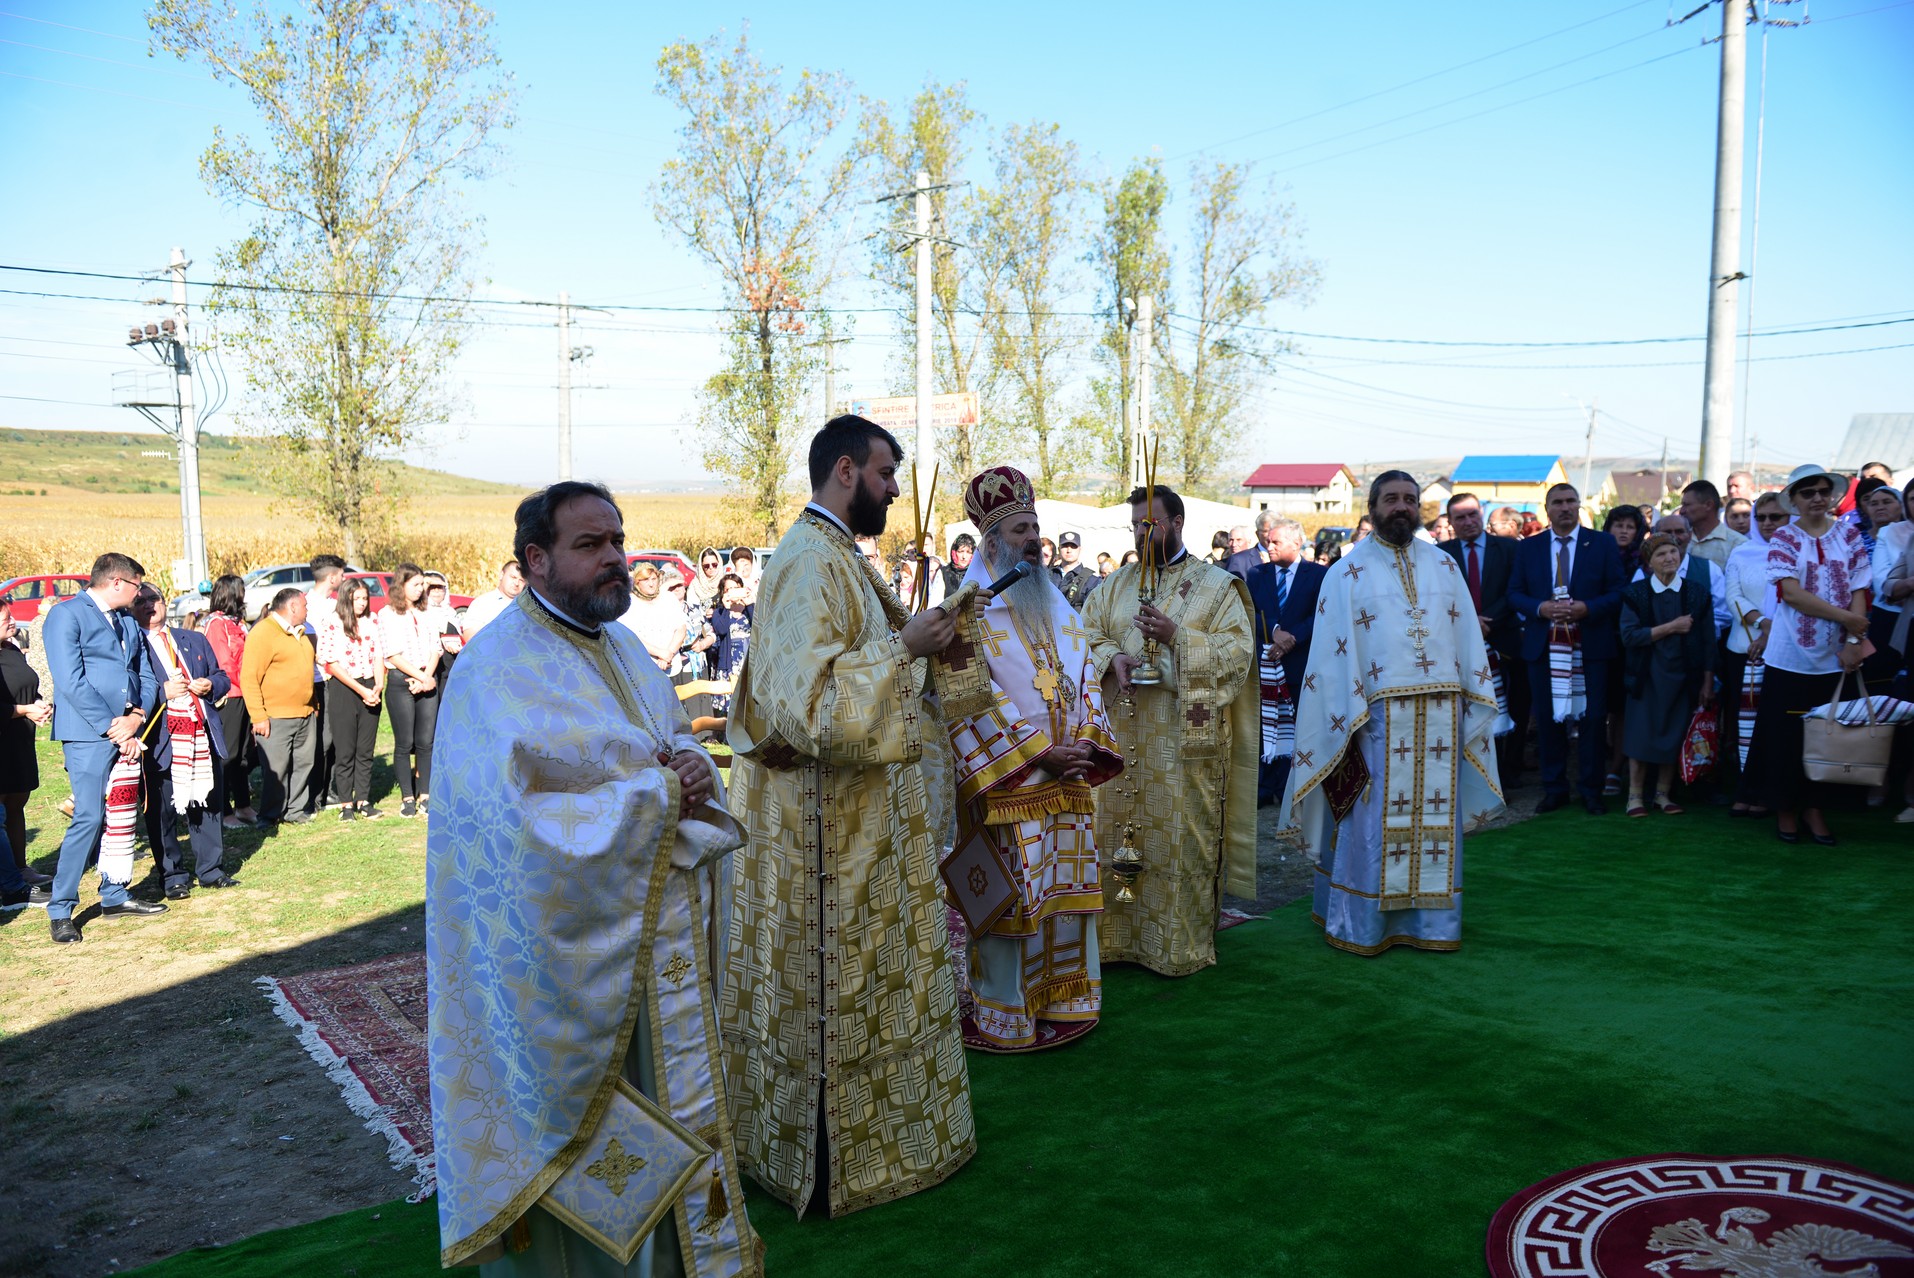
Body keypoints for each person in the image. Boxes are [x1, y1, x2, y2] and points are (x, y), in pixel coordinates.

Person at [426, 481, 760, 1275]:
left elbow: (664, 745)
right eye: (590, 545)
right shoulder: (493, 670)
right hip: (567, 972)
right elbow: (509, 832)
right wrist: (655, 795)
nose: (615, 557)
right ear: (535, 559)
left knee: (665, 1107)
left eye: (617, 539)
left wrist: (686, 767)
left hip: (648, 938)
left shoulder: (622, 652)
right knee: (597, 1136)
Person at [721, 415, 978, 1218]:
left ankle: (887, 1144)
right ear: (844, 471)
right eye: (885, 474)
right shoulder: (808, 564)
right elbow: (806, 712)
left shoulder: (837, 556)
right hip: (831, 841)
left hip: (869, 829)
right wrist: (905, 647)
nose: (896, 491)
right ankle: (838, 1160)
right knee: (844, 995)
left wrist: (927, 644)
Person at [1286, 471, 1504, 955]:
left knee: (1434, 823)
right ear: (1373, 506)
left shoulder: (1444, 566)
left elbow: (1466, 636)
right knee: (1371, 821)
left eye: (1410, 499)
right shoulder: (1347, 571)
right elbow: (1330, 655)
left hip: (1441, 719)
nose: (1402, 507)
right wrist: (1347, 717)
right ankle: (1361, 923)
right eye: (1392, 499)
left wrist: (1471, 691)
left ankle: (1431, 926)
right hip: (1374, 721)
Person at [944, 467, 1124, 1052]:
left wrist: (1086, 745)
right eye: (1020, 530)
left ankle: (1067, 998)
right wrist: (1042, 750)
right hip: (1009, 782)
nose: (1032, 541)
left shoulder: (1058, 606)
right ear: (992, 541)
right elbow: (968, 703)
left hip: (1067, 779)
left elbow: (1086, 678)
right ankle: (1005, 1014)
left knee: (1066, 893)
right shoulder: (966, 614)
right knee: (1015, 901)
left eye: (1035, 528)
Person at [1079, 483, 1257, 977]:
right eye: (1137, 523)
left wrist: (1177, 638)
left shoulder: (1217, 587)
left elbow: (1236, 657)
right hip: (1121, 736)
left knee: (1181, 841)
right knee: (1112, 835)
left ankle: (1176, 946)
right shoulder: (1113, 586)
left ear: (1178, 522)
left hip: (1181, 747)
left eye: (1151, 522)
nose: (1142, 531)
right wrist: (1111, 656)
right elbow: (1084, 634)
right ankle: (1114, 939)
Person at [41, 553, 165, 941]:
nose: (139, 594)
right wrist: (115, 727)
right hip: (87, 733)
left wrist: (137, 716)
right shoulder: (67, 615)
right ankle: (61, 907)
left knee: (122, 813)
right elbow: (70, 679)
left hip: (127, 727)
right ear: (116, 582)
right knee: (90, 817)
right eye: (136, 587)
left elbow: (144, 671)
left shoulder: (127, 619)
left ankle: (113, 893)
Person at [1758, 465, 1871, 845]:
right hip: (1789, 657)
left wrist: (1853, 643)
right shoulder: (1784, 537)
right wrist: (1849, 621)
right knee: (1786, 737)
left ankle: (1815, 808)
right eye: (1808, 493)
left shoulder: (1849, 534)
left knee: (1829, 738)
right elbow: (1790, 594)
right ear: (1794, 499)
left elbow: (1859, 584)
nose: (1818, 498)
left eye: (1823, 490)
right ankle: (1786, 808)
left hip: (1836, 657)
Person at [1509, 483, 1625, 815]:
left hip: (1591, 646)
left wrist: (1589, 607)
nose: (1564, 507)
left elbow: (1618, 592)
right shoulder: (1529, 548)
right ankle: (1554, 788)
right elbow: (1514, 593)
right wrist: (1540, 608)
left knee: (1592, 718)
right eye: (1557, 502)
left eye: (1570, 501)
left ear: (1579, 506)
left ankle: (1591, 790)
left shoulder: (1602, 543)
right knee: (1547, 719)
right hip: (1543, 647)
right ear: (1547, 508)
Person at [132, 583, 236, 897]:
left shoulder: (193, 638)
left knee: (206, 804)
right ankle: (173, 876)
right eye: (141, 602)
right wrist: (163, 692)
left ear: (164, 602)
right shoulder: (132, 646)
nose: (150, 606)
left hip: (202, 738)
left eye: (154, 599)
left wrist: (210, 684)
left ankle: (211, 869)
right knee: (161, 814)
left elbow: (222, 677)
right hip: (163, 741)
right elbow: (130, 691)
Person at [1618, 534, 1717, 817]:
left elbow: (1709, 640)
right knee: (1640, 735)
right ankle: (1634, 797)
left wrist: (1708, 681)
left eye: (1673, 551)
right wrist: (1671, 627)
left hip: (1683, 676)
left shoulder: (1697, 593)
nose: (1670, 558)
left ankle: (1663, 795)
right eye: (1661, 554)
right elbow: (1629, 636)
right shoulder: (1635, 593)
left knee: (1674, 735)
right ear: (1649, 562)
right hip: (1645, 676)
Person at [1441, 492, 1523, 787]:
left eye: (1472, 514)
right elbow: (1438, 597)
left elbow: (1515, 590)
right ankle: (1473, 773)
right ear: (1450, 522)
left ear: (1482, 515)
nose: (1468, 522)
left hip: (1505, 639)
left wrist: (1485, 620)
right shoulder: (1441, 554)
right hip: (1459, 643)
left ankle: (1508, 772)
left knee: (1513, 706)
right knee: (1470, 708)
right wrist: (1468, 621)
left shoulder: (1509, 548)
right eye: (1460, 517)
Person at [1243, 515, 1326, 807]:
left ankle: (1296, 785)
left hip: (1300, 664)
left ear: (1297, 543)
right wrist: (1275, 632)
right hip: (1268, 665)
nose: (1270, 546)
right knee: (1268, 726)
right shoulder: (1257, 574)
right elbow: (1248, 612)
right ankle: (1266, 787)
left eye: (1276, 541)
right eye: (1268, 541)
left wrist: (1293, 637)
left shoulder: (1318, 575)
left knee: (1300, 725)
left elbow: (1323, 614)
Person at [1725, 494, 1785, 817]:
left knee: (1771, 725)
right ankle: (1745, 788)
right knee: (1741, 721)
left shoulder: (1797, 551)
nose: (1767, 524)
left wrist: (1770, 634)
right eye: (1761, 517)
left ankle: (1766, 792)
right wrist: (1761, 624)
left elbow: (1795, 598)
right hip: (1743, 647)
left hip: (1785, 651)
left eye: (1775, 517)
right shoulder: (1741, 551)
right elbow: (1732, 596)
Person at [242, 587, 319, 828]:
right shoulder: (263, 632)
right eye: (305, 606)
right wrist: (258, 716)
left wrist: (313, 702)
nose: (307, 610)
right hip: (275, 716)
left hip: (305, 713)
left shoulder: (301, 632)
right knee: (276, 768)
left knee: (304, 762)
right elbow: (249, 677)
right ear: (293, 607)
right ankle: (270, 814)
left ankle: (294, 810)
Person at [377, 563, 441, 819]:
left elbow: (435, 647)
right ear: (401, 585)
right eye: (415, 584)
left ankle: (425, 794)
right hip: (401, 680)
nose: (420, 589)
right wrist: (419, 677)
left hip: (426, 677)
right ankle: (407, 797)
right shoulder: (387, 614)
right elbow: (392, 653)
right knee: (405, 743)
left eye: (421, 584)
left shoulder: (427, 613)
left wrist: (427, 678)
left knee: (426, 742)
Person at [320, 578, 385, 821]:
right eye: (357, 598)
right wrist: (361, 689)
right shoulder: (332, 622)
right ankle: (346, 803)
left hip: (370, 685)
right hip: (344, 687)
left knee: (365, 749)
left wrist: (378, 685)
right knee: (345, 749)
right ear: (346, 598)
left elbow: (378, 654)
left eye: (365, 598)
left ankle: (364, 800)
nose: (361, 603)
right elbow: (331, 664)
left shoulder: (372, 620)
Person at [0, 610, 52, 890]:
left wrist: (40, 704)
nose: (12, 621)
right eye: (5, 617)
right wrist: (24, 710)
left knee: (16, 806)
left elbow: (27, 686)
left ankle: (20, 868)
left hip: (19, 741)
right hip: (3, 741)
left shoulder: (12, 649)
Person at [202, 574, 257, 828]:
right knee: (228, 755)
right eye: (241, 591)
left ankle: (244, 806)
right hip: (231, 695)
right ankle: (223, 811)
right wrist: (246, 682)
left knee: (244, 754)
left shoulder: (238, 623)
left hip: (246, 693)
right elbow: (224, 663)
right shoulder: (216, 624)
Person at [304, 553, 348, 810]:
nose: (343, 579)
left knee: (335, 736)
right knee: (321, 738)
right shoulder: (308, 605)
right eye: (341, 574)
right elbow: (312, 648)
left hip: (338, 677)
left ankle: (330, 789)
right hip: (319, 679)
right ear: (332, 577)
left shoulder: (335, 604)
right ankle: (315, 792)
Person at [620, 562, 688, 677]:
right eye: (646, 580)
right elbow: (631, 637)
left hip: (672, 665)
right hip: (645, 669)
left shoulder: (668, 598)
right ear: (637, 582)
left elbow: (681, 629)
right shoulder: (629, 604)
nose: (651, 584)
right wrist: (660, 653)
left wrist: (669, 654)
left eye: (654, 579)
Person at [706, 572, 751, 716]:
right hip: (729, 661)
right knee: (729, 702)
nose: (733, 592)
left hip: (748, 660)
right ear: (722, 592)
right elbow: (722, 629)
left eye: (736, 588)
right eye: (728, 589)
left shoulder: (750, 608)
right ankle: (725, 733)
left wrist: (749, 602)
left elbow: (761, 626)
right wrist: (725, 607)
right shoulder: (719, 611)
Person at [459, 559, 524, 640]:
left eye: (521, 580)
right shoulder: (482, 603)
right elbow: (469, 636)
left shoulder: (528, 608)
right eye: (513, 577)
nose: (516, 583)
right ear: (501, 575)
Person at [1225, 510, 1278, 580]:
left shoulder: (1289, 560)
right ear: (1257, 533)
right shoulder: (1239, 560)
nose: (1272, 535)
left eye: (1276, 530)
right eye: (1267, 531)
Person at [1052, 530, 1098, 609]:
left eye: (1073, 546)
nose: (1069, 550)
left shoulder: (1091, 580)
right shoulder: (1048, 575)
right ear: (1059, 549)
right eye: (1065, 546)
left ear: (1080, 549)